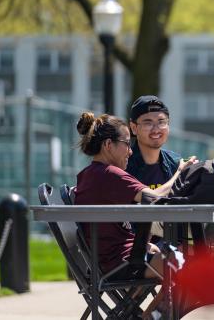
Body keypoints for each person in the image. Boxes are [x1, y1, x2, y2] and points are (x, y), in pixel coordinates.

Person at [74, 111, 196, 284]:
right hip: (124, 264)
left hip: (115, 261)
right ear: (109, 144)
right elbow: (154, 198)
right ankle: (162, 312)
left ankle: (154, 312)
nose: (130, 151)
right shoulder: (109, 174)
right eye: (127, 144)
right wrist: (180, 173)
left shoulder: (89, 174)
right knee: (193, 261)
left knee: (185, 255)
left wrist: (143, 246)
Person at [126, 95, 181, 189]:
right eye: (148, 123)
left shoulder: (176, 163)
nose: (156, 130)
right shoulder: (122, 166)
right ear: (134, 128)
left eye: (161, 122)